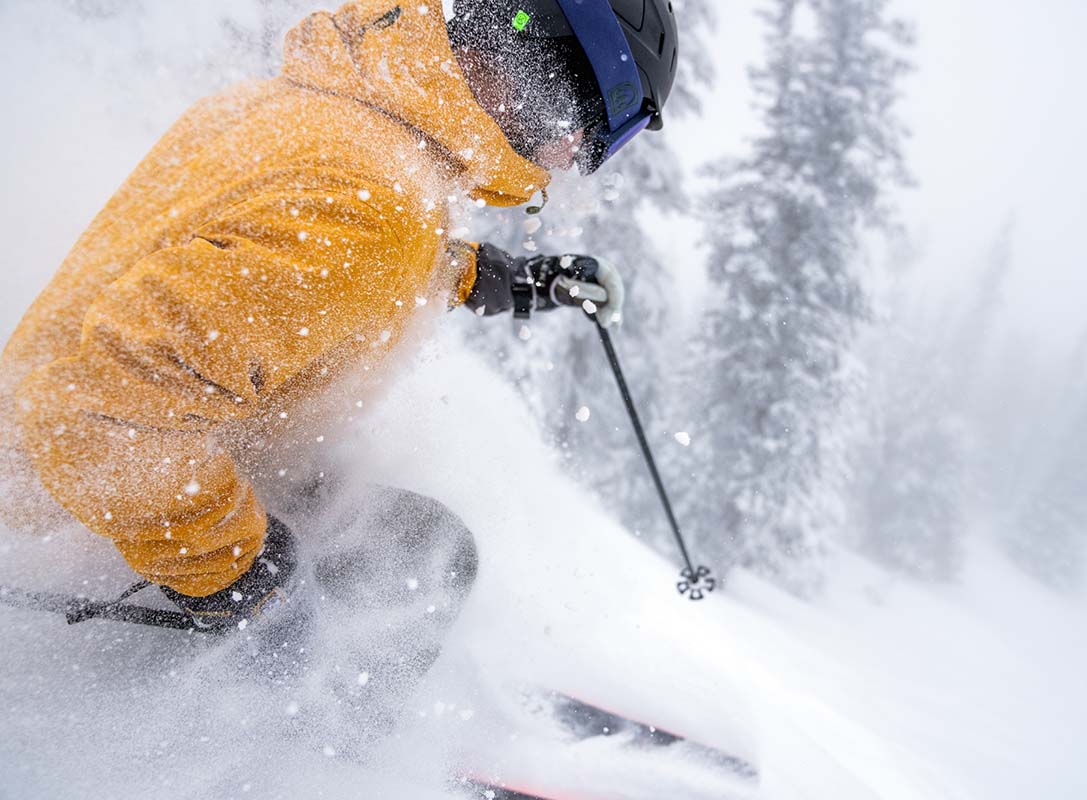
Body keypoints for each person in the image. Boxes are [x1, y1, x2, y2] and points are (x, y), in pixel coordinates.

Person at [0, 0, 679, 633]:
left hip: (122, 473)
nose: (572, 164)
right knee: (423, 557)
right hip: (82, 519)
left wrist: (503, 280)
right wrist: (243, 581)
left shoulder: (330, 113)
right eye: (595, 139)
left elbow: (331, 257)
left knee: (386, 531)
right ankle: (307, 749)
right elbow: (93, 408)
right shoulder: (378, 205)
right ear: (554, 96)